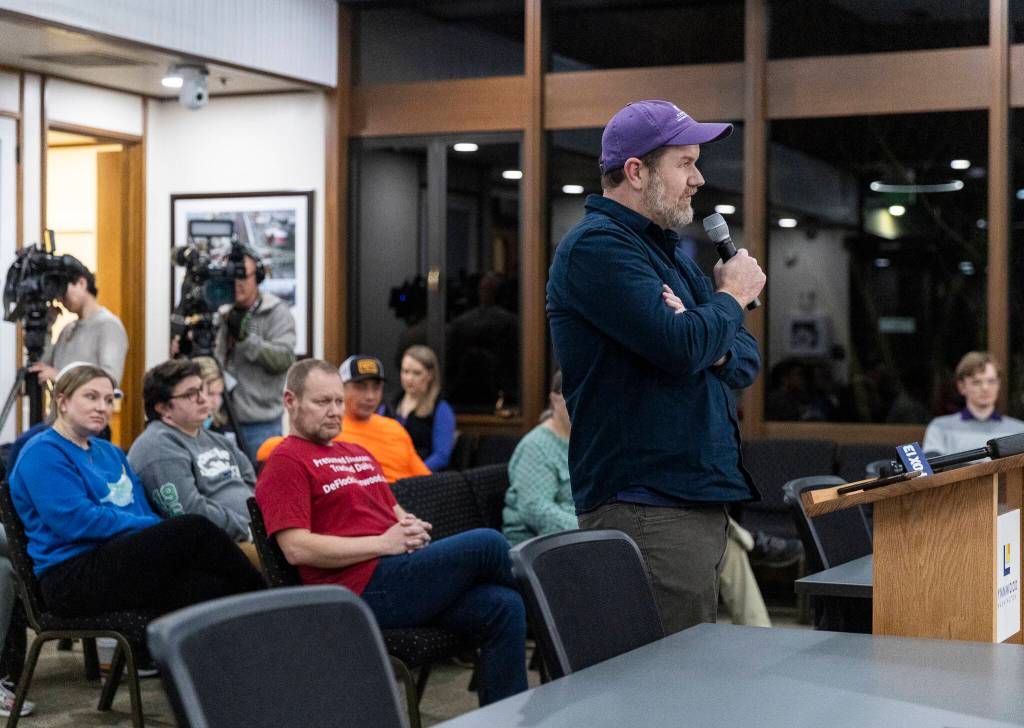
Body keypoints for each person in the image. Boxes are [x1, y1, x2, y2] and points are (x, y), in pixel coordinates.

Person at [546, 99, 766, 634]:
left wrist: (708, 333)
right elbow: (681, 346)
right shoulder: (597, 248)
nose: (699, 178)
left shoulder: (668, 255)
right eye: (685, 163)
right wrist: (730, 300)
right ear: (636, 171)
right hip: (645, 504)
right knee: (666, 673)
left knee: (686, 668)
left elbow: (745, 360)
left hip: (687, 499)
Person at [255, 359, 527, 705]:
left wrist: (410, 525)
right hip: (357, 590)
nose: (335, 411)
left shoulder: (357, 452)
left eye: (338, 401)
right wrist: (383, 543)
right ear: (290, 401)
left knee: (503, 605)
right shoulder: (285, 461)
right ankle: (554, 605)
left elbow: (393, 510)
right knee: (487, 543)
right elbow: (296, 548)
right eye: (322, 402)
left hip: (398, 575)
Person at [7, 364, 264, 633]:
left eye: (109, 400)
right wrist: (152, 528)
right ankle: (271, 608)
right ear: (62, 401)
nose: (102, 407)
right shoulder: (42, 452)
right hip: (70, 575)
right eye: (91, 397)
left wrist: (148, 527)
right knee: (194, 527)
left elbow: (141, 509)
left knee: (209, 587)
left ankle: (248, 646)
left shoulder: (111, 452)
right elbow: (77, 522)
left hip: (119, 560)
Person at [504, 370, 771, 627]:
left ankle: (759, 633)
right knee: (708, 538)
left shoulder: (592, 440)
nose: (580, 402)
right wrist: (595, 528)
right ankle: (751, 543)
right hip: (558, 546)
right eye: (572, 396)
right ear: (554, 400)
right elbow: (536, 510)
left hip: (611, 535)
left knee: (727, 547)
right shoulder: (536, 445)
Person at [127, 359, 258, 564]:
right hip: (212, 547)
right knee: (293, 561)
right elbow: (191, 513)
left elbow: (253, 485)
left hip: (250, 534)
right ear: (163, 408)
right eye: (190, 394)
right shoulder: (158, 446)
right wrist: (249, 527)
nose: (203, 399)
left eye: (202, 389)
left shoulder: (219, 440)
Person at [213, 249, 296, 463]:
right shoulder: (220, 312)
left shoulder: (276, 312)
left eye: (242, 275)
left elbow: (284, 359)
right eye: (230, 276)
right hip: (220, 422)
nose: (236, 283)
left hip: (260, 424)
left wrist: (245, 340)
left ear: (257, 277)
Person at [28, 257, 128, 386]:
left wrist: (60, 376)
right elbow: (43, 366)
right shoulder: (67, 329)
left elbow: (110, 380)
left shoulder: (109, 326)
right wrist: (48, 325)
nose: (60, 299)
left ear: (81, 283)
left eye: (63, 291)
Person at [923, 351, 1024, 455]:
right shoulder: (940, 427)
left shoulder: (1020, 431)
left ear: (999, 384)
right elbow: (931, 464)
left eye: (991, 381)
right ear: (962, 387)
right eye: (976, 382)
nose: (985, 388)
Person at [387, 345, 456, 471]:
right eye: (405, 371)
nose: (409, 378)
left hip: (422, 477)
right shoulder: (390, 404)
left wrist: (414, 474)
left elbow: (441, 456)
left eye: (417, 373)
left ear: (430, 375)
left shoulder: (441, 409)